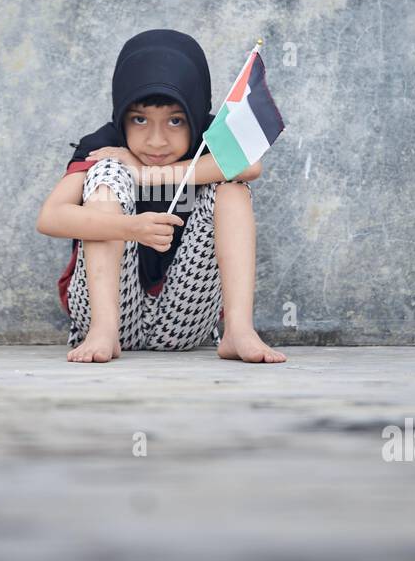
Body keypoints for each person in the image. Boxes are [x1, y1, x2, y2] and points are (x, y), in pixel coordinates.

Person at [36, 29, 287, 364]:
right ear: (121, 114)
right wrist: (130, 228)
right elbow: (50, 217)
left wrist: (148, 175)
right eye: (140, 119)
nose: (156, 140)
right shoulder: (106, 141)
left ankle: (238, 331)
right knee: (106, 170)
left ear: (195, 117)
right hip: (112, 313)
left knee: (231, 185)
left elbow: (250, 166)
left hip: (183, 321)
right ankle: (103, 331)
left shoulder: (207, 139)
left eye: (175, 121)